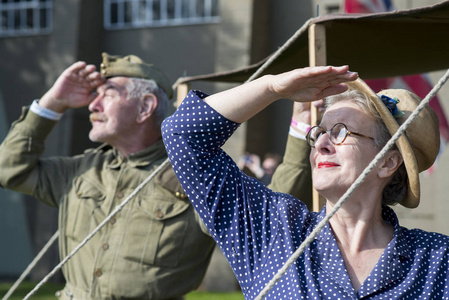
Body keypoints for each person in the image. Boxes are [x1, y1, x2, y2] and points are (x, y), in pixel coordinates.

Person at [162, 65, 449, 299]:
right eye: (319, 132)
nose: (321, 143)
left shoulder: (436, 260)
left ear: (387, 162)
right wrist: (271, 88)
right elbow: (183, 134)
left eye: (340, 132)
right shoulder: (274, 230)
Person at [0, 53, 217, 300]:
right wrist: (53, 102)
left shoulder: (193, 175)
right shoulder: (81, 171)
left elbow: (259, 230)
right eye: (96, 95)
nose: (93, 105)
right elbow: (8, 170)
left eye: (108, 95)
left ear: (145, 107)